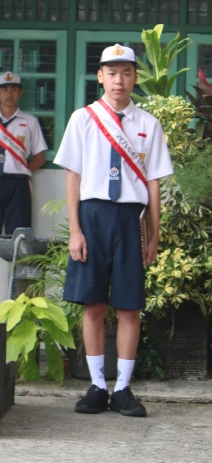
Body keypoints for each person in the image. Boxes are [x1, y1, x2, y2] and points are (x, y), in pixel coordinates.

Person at [55, 44, 172, 417]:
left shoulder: (148, 124)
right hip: (91, 217)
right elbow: (73, 178)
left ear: (135, 77)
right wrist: (75, 229)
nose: (119, 80)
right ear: (100, 76)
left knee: (128, 305)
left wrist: (153, 234)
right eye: (112, 72)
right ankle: (96, 385)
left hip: (130, 219)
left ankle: (123, 388)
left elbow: (153, 184)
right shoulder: (83, 119)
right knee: (93, 303)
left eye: (126, 73)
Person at [0, 71, 47, 321]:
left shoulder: (30, 122)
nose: (9, 93)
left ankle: (17, 300)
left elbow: (40, 157)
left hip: (18, 186)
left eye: (14, 89)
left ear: (21, 92)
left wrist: (21, 171)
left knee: (19, 245)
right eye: (4, 89)